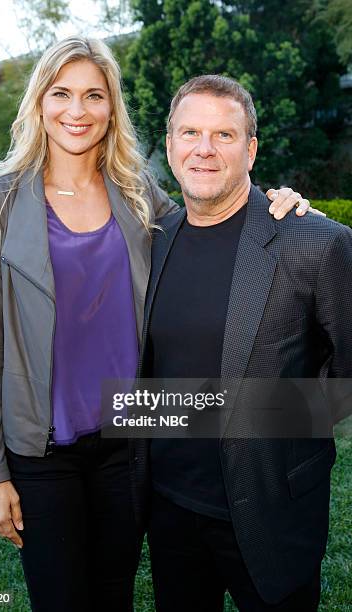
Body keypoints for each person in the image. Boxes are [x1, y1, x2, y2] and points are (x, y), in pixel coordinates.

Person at [0, 36, 311, 611]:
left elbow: (214, 221)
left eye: (94, 96)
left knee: (115, 595)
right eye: (62, 94)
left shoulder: (137, 191)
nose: (77, 111)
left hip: (131, 445)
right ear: (39, 103)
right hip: (42, 451)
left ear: (111, 108)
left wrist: (282, 202)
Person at [137, 74, 352, 611]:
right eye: (189, 133)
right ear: (169, 146)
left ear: (251, 149)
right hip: (169, 512)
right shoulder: (152, 240)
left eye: (224, 136)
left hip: (272, 509)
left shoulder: (312, 242)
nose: (204, 150)